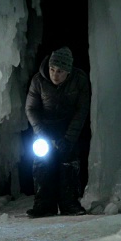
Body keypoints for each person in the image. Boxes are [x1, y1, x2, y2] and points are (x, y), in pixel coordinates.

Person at [25, 46, 90, 217]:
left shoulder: (80, 80)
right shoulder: (38, 81)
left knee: (68, 163)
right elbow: (31, 109)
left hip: (68, 128)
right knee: (41, 163)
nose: (54, 74)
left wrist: (69, 139)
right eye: (52, 69)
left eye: (60, 71)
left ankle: (70, 204)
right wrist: (42, 135)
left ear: (68, 71)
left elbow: (81, 111)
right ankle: (44, 205)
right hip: (44, 128)